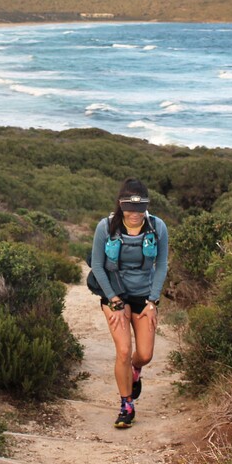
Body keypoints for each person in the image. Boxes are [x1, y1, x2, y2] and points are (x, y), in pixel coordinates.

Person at [89, 178, 169, 428]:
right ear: (121, 205)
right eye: (129, 208)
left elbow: (162, 265)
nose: (134, 214)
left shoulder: (158, 227)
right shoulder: (105, 227)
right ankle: (126, 405)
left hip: (144, 296)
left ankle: (136, 371)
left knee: (144, 354)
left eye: (140, 208)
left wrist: (153, 301)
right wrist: (113, 300)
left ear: (146, 206)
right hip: (115, 294)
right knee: (123, 350)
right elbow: (98, 266)